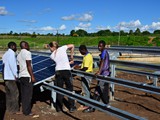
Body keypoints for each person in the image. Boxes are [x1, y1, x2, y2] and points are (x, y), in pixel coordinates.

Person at [48, 41, 76, 113]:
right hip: (66, 71)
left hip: (58, 72)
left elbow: (59, 63)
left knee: (59, 89)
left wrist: (68, 62)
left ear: (52, 47)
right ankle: (72, 107)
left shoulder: (51, 56)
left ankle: (59, 108)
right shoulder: (63, 48)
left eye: (50, 48)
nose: (49, 50)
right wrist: (71, 56)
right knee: (70, 89)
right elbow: (72, 45)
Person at [83, 40, 110, 113]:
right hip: (105, 74)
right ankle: (106, 105)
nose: (99, 47)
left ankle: (94, 107)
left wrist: (99, 71)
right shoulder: (104, 52)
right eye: (98, 46)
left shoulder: (104, 52)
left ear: (104, 46)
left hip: (104, 74)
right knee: (101, 90)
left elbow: (102, 62)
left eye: (101, 46)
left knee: (98, 91)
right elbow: (100, 62)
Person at [17, 41, 36, 116]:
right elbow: (29, 65)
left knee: (24, 94)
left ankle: (24, 109)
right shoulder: (27, 53)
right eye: (27, 44)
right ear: (24, 45)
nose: (28, 46)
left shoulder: (18, 54)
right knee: (28, 95)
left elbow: (18, 66)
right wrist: (32, 76)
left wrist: (21, 72)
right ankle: (27, 111)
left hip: (21, 76)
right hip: (27, 76)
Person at [2, 42, 20, 114]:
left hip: (6, 76)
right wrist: (16, 75)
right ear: (12, 46)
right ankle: (15, 110)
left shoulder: (5, 54)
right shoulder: (12, 53)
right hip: (11, 77)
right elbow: (13, 65)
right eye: (15, 46)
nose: (16, 48)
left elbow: (4, 64)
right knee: (15, 93)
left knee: (8, 93)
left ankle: (8, 108)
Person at [74, 45, 93, 111]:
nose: (80, 53)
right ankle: (86, 103)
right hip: (85, 74)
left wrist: (77, 70)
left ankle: (87, 105)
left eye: (80, 51)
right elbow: (83, 66)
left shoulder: (87, 57)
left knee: (86, 90)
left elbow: (85, 68)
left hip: (87, 74)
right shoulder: (86, 56)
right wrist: (78, 67)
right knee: (85, 89)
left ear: (83, 50)